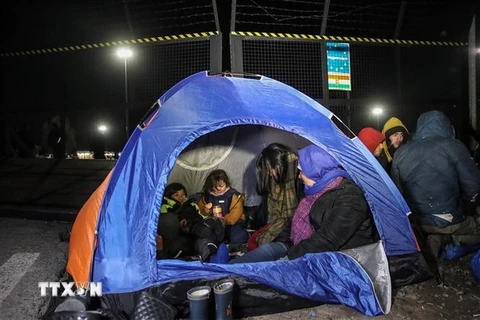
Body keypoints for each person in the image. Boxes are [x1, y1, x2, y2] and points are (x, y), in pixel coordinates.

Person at [230, 144, 376, 263]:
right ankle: (222, 272)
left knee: (264, 273)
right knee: (265, 250)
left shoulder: (350, 198)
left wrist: (286, 259)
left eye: (302, 171)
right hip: (295, 245)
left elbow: (326, 240)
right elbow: (293, 220)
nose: (299, 176)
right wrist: (279, 243)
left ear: (316, 170)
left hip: (331, 258)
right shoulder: (313, 189)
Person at [391, 110, 480, 259]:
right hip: (450, 219)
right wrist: (466, 209)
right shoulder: (454, 147)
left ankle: (429, 238)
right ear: (446, 126)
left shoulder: (401, 153)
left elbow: (397, 192)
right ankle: (450, 239)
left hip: (417, 221)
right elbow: (474, 187)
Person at [248, 143, 299, 250]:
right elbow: (274, 211)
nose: (270, 174)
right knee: (253, 240)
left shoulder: (298, 179)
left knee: (259, 243)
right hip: (278, 221)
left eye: (270, 170)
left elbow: (290, 216)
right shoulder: (275, 179)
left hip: (291, 225)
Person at [157, 183, 224, 261]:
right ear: (169, 196)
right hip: (181, 235)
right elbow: (166, 226)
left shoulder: (192, 205)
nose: (181, 197)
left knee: (203, 240)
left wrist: (208, 216)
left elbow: (201, 217)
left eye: (183, 194)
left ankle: (212, 256)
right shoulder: (166, 207)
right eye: (176, 195)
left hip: (195, 231)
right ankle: (214, 240)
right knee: (201, 234)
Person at [198, 169, 249, 246]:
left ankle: (235, 247)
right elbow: (201, 209)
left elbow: (236, 212)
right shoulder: (207, 196)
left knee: (237, 234)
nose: (218, 189)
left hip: (232, 223)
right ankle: (212, 248)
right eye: (215, 187)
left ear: (226, 183)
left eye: (221, 186)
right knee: (205, 233)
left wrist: (224, 220)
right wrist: (206, 212)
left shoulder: (233, 195)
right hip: (215, 224)